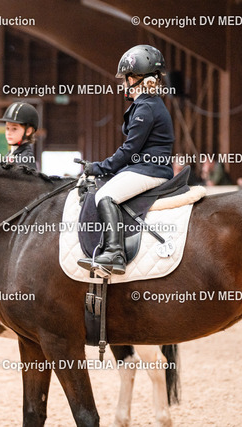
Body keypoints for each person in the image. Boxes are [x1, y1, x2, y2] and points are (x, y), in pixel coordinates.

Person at [78, 45, 174, 275]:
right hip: (145, 167)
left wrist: (98, 167)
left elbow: (129, 150)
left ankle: (114, 253)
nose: (123, 84)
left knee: (105, 195)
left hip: (150, 170)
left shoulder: (146, 108)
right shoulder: (148, 104)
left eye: (125, 79)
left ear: (134, 79)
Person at [0, 101, 38, 169]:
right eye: (7, 128)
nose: (9, 133)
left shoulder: (25, 158)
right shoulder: (11, 154)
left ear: (28, 131)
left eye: (14, 129)